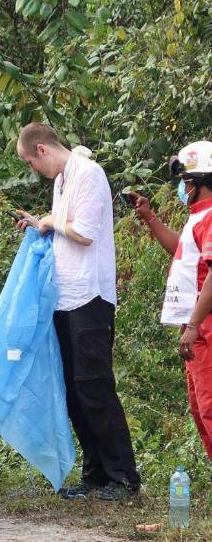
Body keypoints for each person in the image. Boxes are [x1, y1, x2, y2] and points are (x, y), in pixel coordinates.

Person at [15, 122, 141, 501]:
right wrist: (41, 226)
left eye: (30, 163)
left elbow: (84, 232)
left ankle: (123, 477)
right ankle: (95, 474)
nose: (33, 170)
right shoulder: (61, 180)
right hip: (64, 297)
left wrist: (52, 221)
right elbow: (64, 230)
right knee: (73, 390)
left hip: (90, 297)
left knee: (94, 387)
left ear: (42, 150)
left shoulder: (89, 174)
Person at [131, 140, 212, 460]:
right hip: (197, 329)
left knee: (210, 408)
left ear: (200, 182)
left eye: (186, 181)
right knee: (201, 411)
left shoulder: (210, 217)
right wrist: (151, 219)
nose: (182, 187)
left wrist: (193, 324)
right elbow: (183, 252)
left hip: (205, 328)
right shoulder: (198, 217)